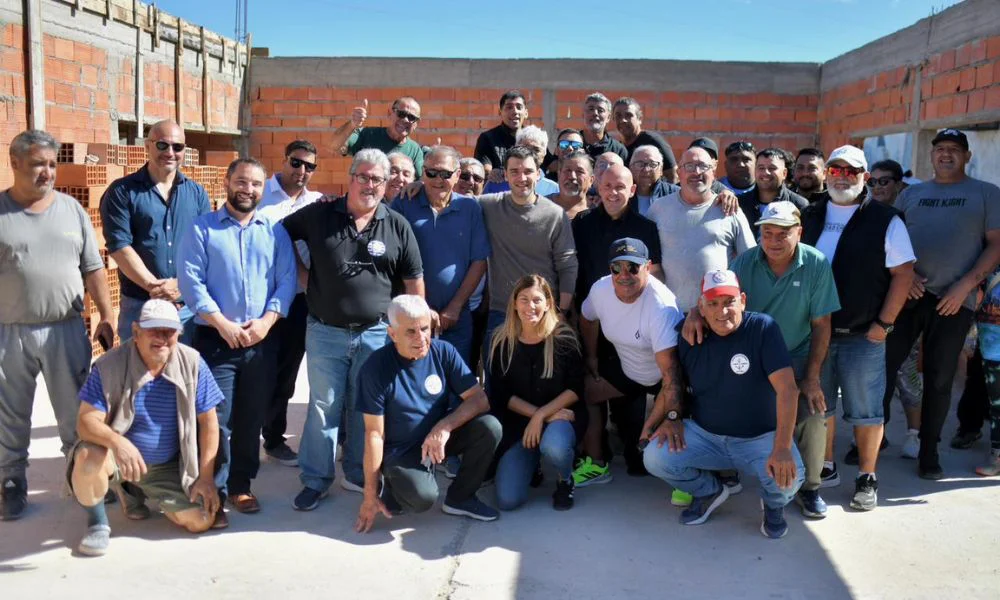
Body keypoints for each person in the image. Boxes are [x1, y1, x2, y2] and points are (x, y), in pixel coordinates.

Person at [282, 149, 425, 510]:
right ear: (351, 177)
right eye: (364, 176)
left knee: (366, 409)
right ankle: (315, 479)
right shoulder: (319, 215)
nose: (370, 185)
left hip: (376, 333)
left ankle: (359, 474)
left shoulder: (396, 225)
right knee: (322, 407)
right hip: (325, 331)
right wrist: (303, 275)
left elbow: (413, 280)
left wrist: (416, 329)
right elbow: (281, 235)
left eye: (378, 179)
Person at [686, 201, 839, 517]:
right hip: (752, 352)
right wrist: (693, 313)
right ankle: (726, 469)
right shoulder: (744, 262)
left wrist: (811, 376)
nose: (773, 240)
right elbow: (719, 297)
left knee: (812, 412)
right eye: (767, 233)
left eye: (782, 233)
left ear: (799, 232)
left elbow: (822, 324)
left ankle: (809, 488)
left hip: (796, 352)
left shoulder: (817, 263)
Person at [0, 129, 116, 521]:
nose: (47, 172)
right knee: (11, 413)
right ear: (15, 163)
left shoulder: (71, 210)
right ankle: (12, 482)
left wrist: (106, 313)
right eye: (38, 164)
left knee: (77, 412)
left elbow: (93, 267)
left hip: (66, 329)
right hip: (9, 332)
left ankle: (85, 479)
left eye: (52, 164)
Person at [643, 270, 804, 539]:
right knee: (655, 457)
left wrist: (783, 447)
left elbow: (788, 390)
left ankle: (773, 505)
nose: (723, 311)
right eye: (713, 303)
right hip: (706, 435)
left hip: (760, 438)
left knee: (790, 478)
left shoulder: (763, 328)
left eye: (729, 301)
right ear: (701, 307)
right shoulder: (688, 333)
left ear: (742, 300)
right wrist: (668, 418)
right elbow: (673, 384)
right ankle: (709, 491)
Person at [178, 158, 296, 518]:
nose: (248, 190)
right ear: (227, 182)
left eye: (256, 184)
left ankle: (241, 486)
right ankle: (214, 484)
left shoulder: (274, 231)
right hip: (217, 340)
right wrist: (222, 324)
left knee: (250, 416)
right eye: (242, 182)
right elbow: (191, 281)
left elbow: (286, 280)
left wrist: (266, 322)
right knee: (216, 417)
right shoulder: (202, 229)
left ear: (264, 189)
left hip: (261, 340)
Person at [798, 145, 915, 510]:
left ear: (865, 177)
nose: (843, 177)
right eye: (836, 170)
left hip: (863, 334)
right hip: (816, 332)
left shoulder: (886, 219)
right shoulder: (811, 213)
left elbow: (903, 274)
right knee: (820, 406)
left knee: (866, 410)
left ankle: (867, 476)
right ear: (827, 174)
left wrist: (884, 324)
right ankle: (825, 466)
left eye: (851, 171)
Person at [884, 128, 1000, 479]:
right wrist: (908, 277)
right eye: (939, 149)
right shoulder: (911, 195)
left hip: (954, 301)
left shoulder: (986, 194)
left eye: (953, 149)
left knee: (939, 378)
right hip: (909, 296)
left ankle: (928, 452)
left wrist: (965, 285)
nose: (945, 154)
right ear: (931, 155)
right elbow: (891, 241)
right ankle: (871, 441)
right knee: (883, 369)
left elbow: (995, 245)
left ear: (967, 156)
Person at [68, 300, 224, 555]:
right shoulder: (109, 365)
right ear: (136, 331)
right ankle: (97, 524)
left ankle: (134, 490)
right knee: (87, 459)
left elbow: (209, 422)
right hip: (118, 458)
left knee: (200, 521)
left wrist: (205, 478)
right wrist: (119, 443)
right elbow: (85, 422)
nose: (162, 338)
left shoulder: (193, 362)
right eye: (154, 329)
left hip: (167, 465)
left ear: (179, 333)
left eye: (169, 331)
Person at [354, 295, 501, 532]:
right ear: (392, 334)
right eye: (410, 332)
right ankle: (392, 486)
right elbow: (374, 435)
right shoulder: (375, 369)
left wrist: (444, 427)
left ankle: (460, 498)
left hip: (437, 438)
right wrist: (369, 495)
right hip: (401, 450)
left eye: (424, 328)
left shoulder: (443, 352)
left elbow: (479, 399)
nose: (421, 338)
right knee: (423, 498)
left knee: (489, 427)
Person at [576, 238, 683, 485]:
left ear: (648, 267)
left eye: (633, 267)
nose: (625, 275)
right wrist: (591, 357)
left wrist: (661, 418)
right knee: (583, 391)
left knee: (645, 457)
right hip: (628, 368)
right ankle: (596, 464)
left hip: (663, 378)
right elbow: (587, 318)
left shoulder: (661, 307)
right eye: (617, 267)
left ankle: (685, 476)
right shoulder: (600, 290)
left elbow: (671, 376)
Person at [101, 119, 210, 343]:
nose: (170, 152)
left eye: (177, 147)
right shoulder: (122, 192)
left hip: (186, 307)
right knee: (139, 375)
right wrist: (155, 288)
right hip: (140, 306)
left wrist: (180, 285)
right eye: (162, 145)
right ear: (147, 146)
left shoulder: (197, 194)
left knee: (184, 374)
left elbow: (205, 248)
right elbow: (120, 247)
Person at [254, 140, 324, 467]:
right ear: (284, 160)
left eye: (310, 167)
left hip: (298, 301)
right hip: (261, 301)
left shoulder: (316, 203)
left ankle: (274, 437)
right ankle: (244, 432)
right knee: (259, 369)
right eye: (296, 163)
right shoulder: (259, 195)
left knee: (287, 372)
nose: (302, 172)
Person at [489, 275, 585, 511]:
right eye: (523, 299)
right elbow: (500, 394)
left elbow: (576, 389)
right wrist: (537, 416)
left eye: (536, 300)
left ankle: (565, 480)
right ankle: (533, 465)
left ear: (548, 304)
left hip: (560, 418)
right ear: (514, 303)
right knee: (507, 500)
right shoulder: (501, 341)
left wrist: (542, 415)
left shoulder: (563, 339)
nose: (529, 306)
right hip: (520, 426)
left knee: (555, 445)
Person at [391, 146, 490, 364]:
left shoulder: (470, 208)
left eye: (445, 174)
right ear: (422, 172)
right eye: (431, 173)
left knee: (457, 387)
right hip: (409, 317)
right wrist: (420, 308)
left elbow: (479, 261)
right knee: (411, 383)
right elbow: (392, 259)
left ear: (457, 175)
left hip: (456, 319)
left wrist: (454, 308)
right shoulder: (403, 203)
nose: (438, 179)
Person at [647, 145, 755, 312]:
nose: (696, 172)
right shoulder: (658, 209)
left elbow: (750, 261)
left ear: (714, 172)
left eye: (703, 166)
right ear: (679, 173)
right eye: (689, 166)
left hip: (717, 314)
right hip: (669, 313)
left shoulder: (730, 209)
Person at [867, 159, 923, 459]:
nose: (878, 187)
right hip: (875, 307)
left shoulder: (911, 215)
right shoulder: (864, 215)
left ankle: (915, 434)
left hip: (907, 308)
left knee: (907, 372)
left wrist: (912, 276)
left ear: (899, 184)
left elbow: (922, 254)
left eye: (884, 181)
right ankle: (878, 436)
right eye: (872, 182)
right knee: (876, 377)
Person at [329, 96, 424, 176]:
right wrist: (352, 124)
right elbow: (333, 146)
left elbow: (422, 182)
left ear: (416, 124)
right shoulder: (366, 134)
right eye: (401, 114)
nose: (406, 120)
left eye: (412, 117)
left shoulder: (415, 150)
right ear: (390, 114)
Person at [737, 148, 808, 238]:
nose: (766, 172)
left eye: (772, 168)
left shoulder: (799, 205)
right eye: (761, 168)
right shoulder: (740, 203)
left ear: (784, 173)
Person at [613, 97, 677, 181]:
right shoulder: (618, 148)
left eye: (629, 115)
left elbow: (673, 175)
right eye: (618, 116)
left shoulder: (652, 141)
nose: (623, 120)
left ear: (639, 119)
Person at [484, 126, 559, 196]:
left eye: (536, 150)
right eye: (526, 148)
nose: (530, 154)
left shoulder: (553, 189)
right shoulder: (495, 183)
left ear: (544, 154)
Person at [474, 90, 528, 182]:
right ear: (500, 112)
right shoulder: (488, 138)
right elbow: (485, 170)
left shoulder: (533, 139)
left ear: (526, 113)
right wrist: (493, 173)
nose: (515, 111)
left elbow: (551, 165)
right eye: (509, 107)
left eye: (519, 107)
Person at [629, 145, 678, 216]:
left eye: (652, 165)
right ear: (631, 168)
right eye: (640, 164)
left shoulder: (675, 195)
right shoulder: (623, 194)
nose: (646, 170)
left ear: (661, 170)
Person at [580, 93, 628, 163]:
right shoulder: (572, 144)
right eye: (591, 109)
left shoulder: (618, 150)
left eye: (600, 110)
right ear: (583, 115)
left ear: (608, 117)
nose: (595, 113)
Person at [548, 150, 594, 219]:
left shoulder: (597, 215)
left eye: (579, 171)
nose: (572, 176)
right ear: (559, 174)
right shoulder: (541, 207)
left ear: (591, 180)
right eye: (568, 170)